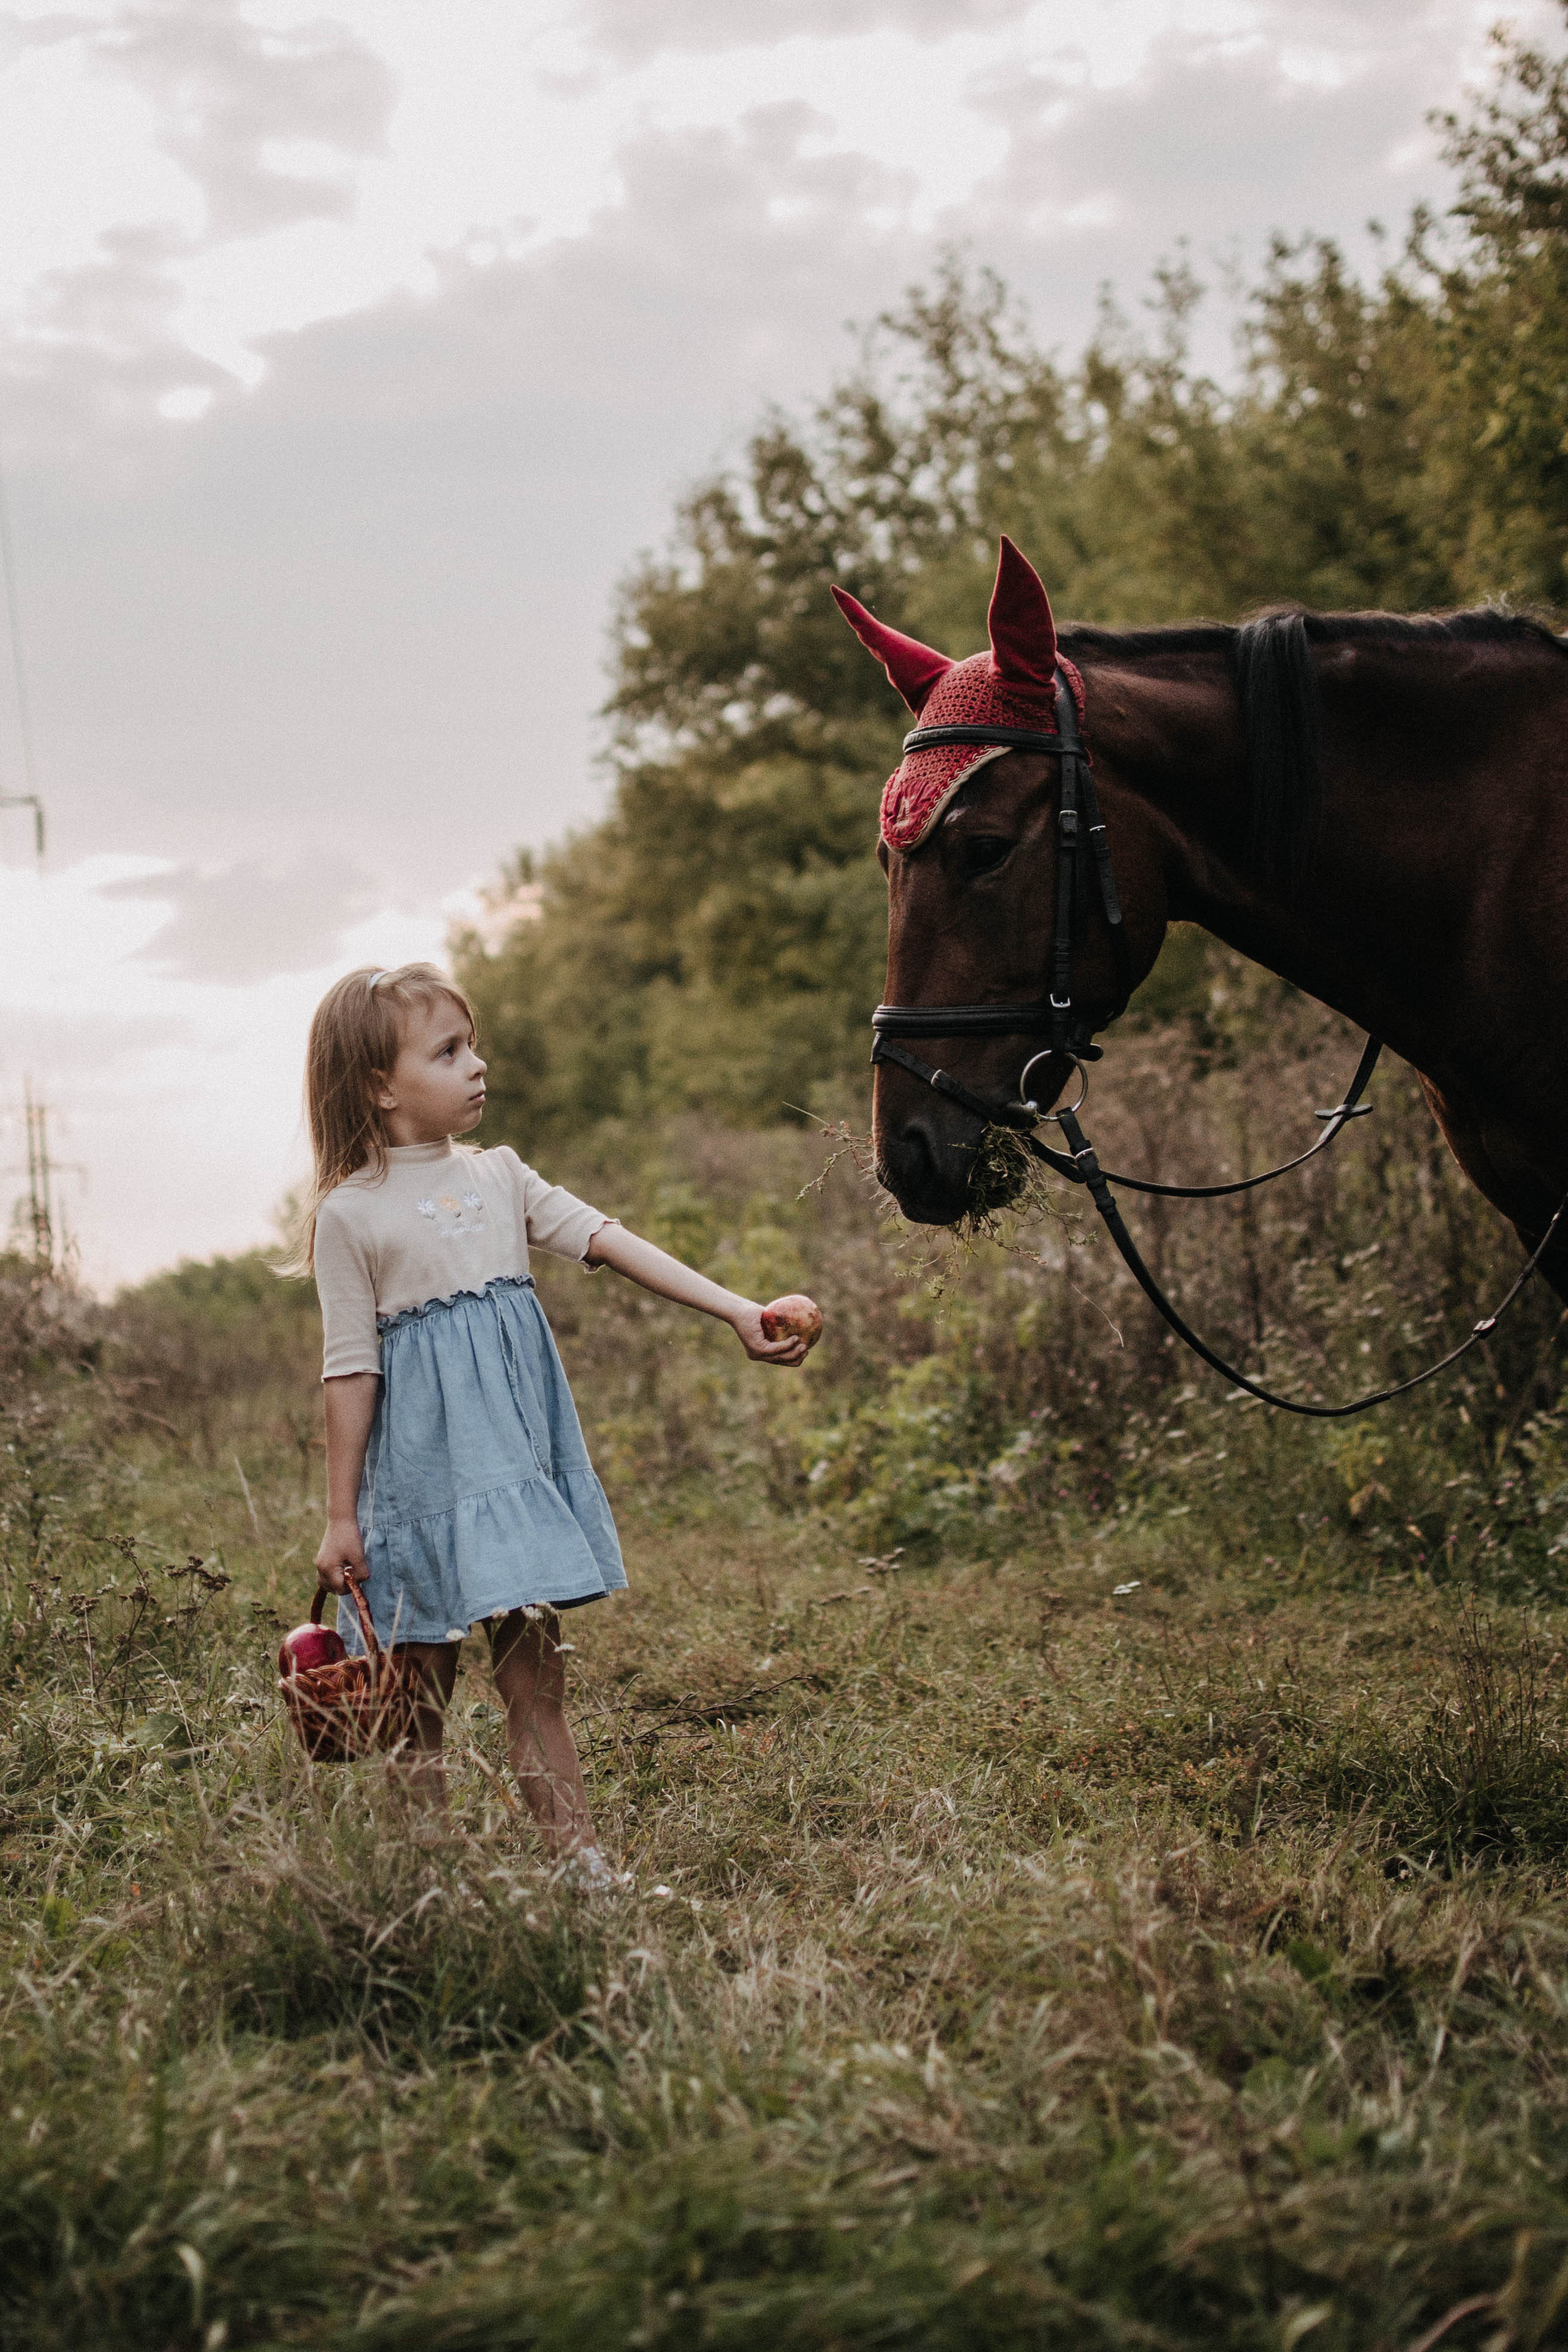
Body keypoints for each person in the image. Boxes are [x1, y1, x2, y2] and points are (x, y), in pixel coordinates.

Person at [295, 961, 813, 1884]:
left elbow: (610, 1240)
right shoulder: (351, 1214)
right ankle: (432, 1884)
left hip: (518, 1479)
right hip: (414, 1494)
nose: (478, 1065)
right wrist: (342, 1517)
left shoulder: (500, 1177)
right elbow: (350, 1369)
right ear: (380, 1086)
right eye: (448, 1052)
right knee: (417, 1706)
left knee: (537, 1688)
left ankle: (580, 1869)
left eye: (473, 1045)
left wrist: (737, 1308)